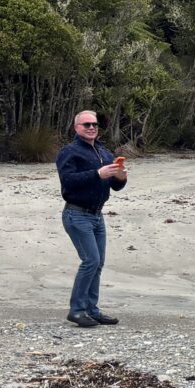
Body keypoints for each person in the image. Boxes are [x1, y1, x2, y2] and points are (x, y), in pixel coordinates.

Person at [56, 109, 127, 327]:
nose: (91, 127)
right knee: (91, 261)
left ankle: (92, 309)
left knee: (98, 263)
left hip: (97, 215)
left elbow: (115, 185)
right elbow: (68, 180)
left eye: (94, 124)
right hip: (76, 213)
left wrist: (120, 177)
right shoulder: (69, 152)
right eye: (86, 124)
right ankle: (77, 310)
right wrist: (97, 174)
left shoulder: (104, 152)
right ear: (76, 127)